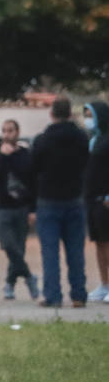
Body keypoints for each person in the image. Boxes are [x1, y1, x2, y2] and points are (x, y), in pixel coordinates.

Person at [28, 97, 90, 308]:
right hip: (74, 198)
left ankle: (53, 296)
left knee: (50, 252)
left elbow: (33, 169)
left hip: (48, 200)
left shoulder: (43, 140)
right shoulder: (82, 138)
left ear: (51, 114)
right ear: (70, 114)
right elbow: (85, 165)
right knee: (75, 251)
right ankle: (79, 295)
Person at [0, 119, 39, 301]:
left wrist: (33, 209)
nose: (7, 134)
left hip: (22, 207)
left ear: (17, 132)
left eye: (10, 130)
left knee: (19, 247)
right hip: (3, 208)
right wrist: (4, 157)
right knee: (8, 244)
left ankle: (10, 284)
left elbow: (33, 181)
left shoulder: (26, 154)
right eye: (4, 131)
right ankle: (29, 277)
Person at [84, 101, 109, 302]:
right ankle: (104, 283)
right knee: (99, 244)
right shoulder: (94, 140)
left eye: (89, 115)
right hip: (92, 200)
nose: (87, 120)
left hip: (105, 200)